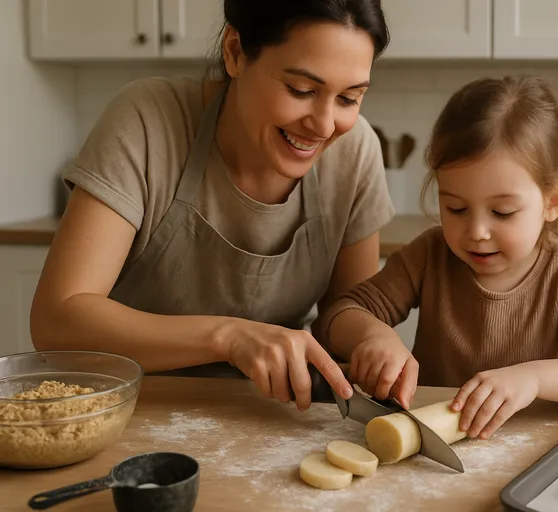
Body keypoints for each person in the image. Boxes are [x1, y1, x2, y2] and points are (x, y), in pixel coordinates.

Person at [30, 1, 395, 411]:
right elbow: (56, 320)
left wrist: (370, 337)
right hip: (129, 412)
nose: (325, 125)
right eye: (301, 90)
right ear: (235, 52)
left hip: (271, 420)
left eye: (349, 98)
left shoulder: (355, 151)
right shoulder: (149, 120)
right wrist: (227, 337)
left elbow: (343, 316)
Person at [319, 74, 558, 439]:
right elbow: (337, 316)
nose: (477, 232)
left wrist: (533, 378)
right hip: (430, 447)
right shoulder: (431, 255)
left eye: (502, 213)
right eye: (456, 208)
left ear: (553, 201)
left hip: (535, 445)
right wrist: (373, 335)